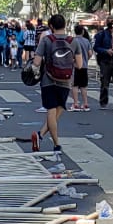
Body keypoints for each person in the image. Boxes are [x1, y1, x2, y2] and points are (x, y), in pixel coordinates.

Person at [30, 14, 82, 157]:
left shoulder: (46, 40)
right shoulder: (73, 41)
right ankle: (48, 139)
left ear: (51, 26)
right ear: (65, 25)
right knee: (58, 111)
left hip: (48, 80)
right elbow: (80, 64)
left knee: (51, 112)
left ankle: (50, 140)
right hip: (65, 81)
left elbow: (36, 62)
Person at [71, 26, 92, 112]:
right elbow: (90, 53)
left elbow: (70, 53)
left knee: (75, 85)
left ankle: (76, 104)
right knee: (83, 86)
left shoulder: (73, 41)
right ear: (83, 32)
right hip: (84, 66)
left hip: (75, 66)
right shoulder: (86, 41)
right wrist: (86, 59)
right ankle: (85, 104)